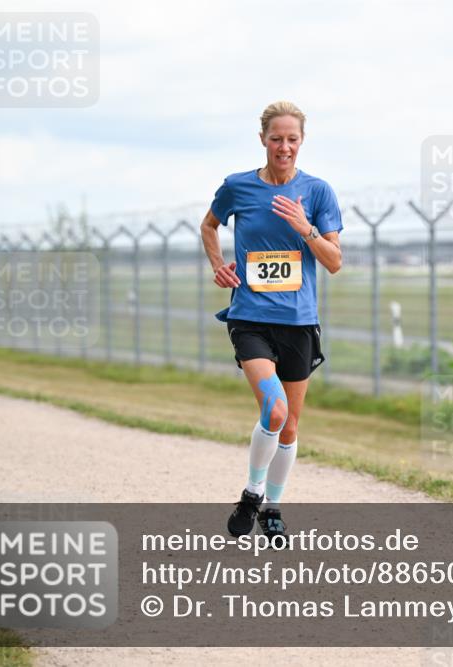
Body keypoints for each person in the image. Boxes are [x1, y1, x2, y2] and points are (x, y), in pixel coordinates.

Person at [199, 100, 342, 544]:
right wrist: (218, 264)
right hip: (250, 319)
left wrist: (306, 228)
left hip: (299, 323)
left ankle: (271, 505)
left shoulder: (317, 192)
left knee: (292, 425)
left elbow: (334, 261)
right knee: (274, 411)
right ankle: (252, 493)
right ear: (262, 139)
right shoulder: (238, 187)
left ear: (302, 142)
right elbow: (209, 225)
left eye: (292, 139)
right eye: (276, 138)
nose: (284, 147)